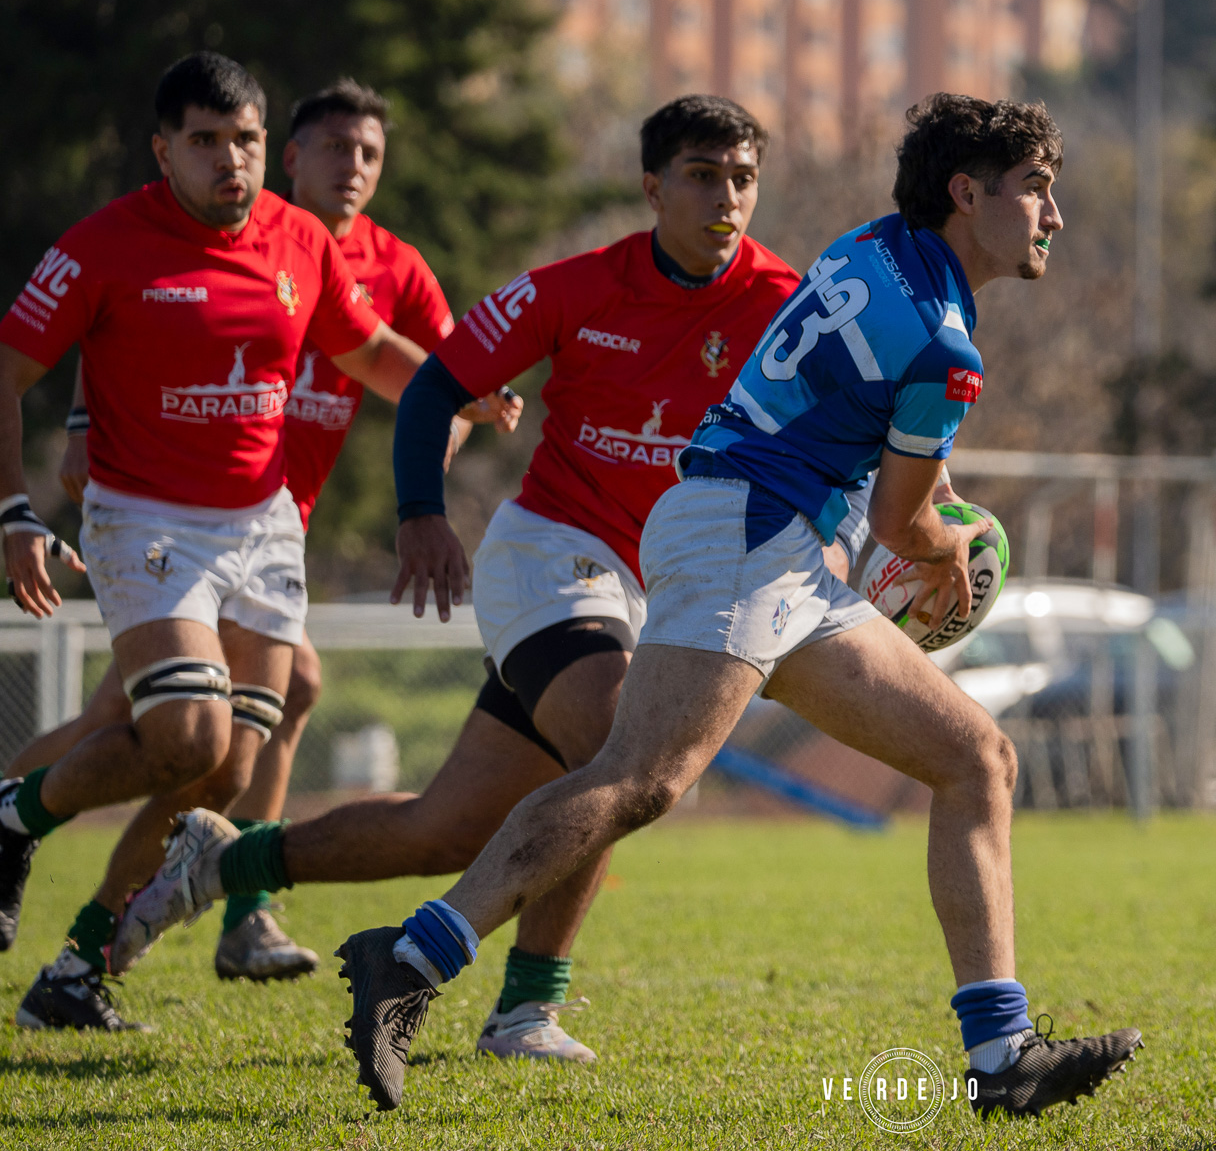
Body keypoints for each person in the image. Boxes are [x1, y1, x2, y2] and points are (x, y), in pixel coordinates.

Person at [318, 92, 1141, 1117]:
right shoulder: (946, 350)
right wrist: (959, 546)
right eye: (1037, 190)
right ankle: (409, 959)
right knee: (639, 777)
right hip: (748, 540)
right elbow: (902, 521)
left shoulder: (871, 246)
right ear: (968, 194)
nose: (1052, 216)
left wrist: (923, 534)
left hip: (771, 549)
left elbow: (871, 483)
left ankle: (1001, 1053)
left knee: (976, 757)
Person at [118, 95, 805, 1063]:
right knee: (620, 751)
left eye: (742, 177)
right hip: (551, 558)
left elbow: (853, 413)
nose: (726, 196)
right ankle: (525, 1009)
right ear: (653, 188)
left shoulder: (786, 304)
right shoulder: (577, 287)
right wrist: (419, 516)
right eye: (701, 174)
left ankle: (224, 861)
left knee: (440, 831)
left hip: (648, 588)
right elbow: (437, 381)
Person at [0, 52, 489, 1032]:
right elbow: (7, 369)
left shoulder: (301, 239)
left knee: (220, 773)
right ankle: (15, 820)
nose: (231, 161)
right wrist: (15, 513)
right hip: (142, 520)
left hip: (263, 528)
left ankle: (74, 969)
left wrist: (468, 381)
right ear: (163, 150)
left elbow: (371, 353)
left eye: (247, 141)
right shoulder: (105, 243)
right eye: (207, 142)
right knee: (186, 735)